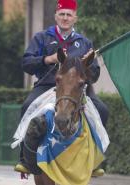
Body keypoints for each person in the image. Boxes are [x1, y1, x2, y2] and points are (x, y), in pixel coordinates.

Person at [15, 0, 108, 177]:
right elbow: (26, 63)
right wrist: (47, 59)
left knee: (103, 110)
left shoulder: (85, 42)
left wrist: (87, 66)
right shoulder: (42, 38)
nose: (65, 18)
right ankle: (24, 159)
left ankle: (98, 160)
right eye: (62, 14)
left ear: (75, 18)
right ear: (56, 16)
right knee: (26, 106)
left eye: (69, 14)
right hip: (47, 86)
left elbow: (94, 76)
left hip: (77, 90)